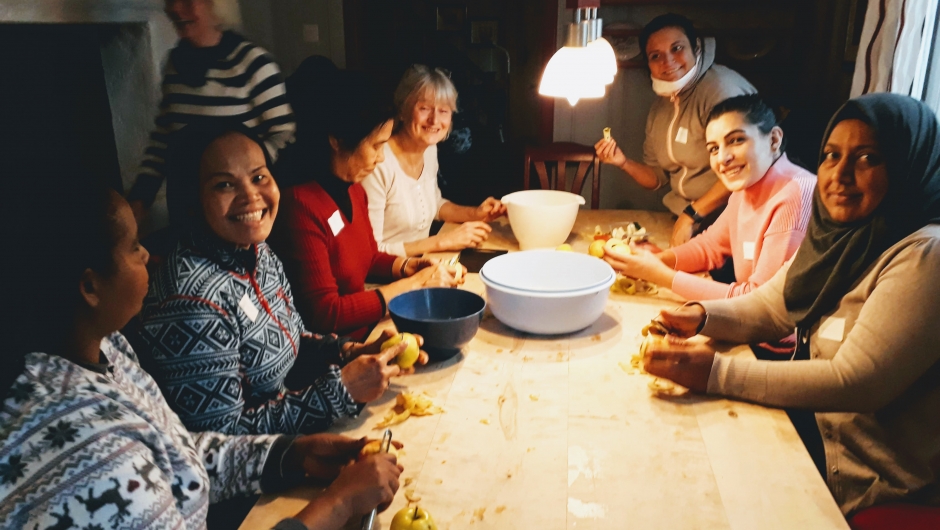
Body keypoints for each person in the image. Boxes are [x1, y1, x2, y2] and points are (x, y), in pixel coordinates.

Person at [0, 178, 403, 529]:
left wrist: (291, 455)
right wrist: (338, 505)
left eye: (259, 175)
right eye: (133, 245)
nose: (146, 255)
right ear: (90, 288)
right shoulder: (89, 461)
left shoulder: (103, 347)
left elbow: (174, 456)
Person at [644, 94, 940, 515]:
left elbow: (855, 381)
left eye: (868, 157)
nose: (839, 175)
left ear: (908, 162)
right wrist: (700, 316)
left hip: (870, 484)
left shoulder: (925, 254)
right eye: (831, 156)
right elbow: (770, 307)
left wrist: (716, 373)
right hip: (811, 433)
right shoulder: (842, 235)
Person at [133, 123, 427, 436]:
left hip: (290, 442)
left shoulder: (257, 252)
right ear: (192, 198)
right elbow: (220, 440)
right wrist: (340, 391)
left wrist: (350, 352)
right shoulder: (190, 301)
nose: (251, 196)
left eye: (259, 177)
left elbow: (295, 340)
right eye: (224, 185)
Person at [271, 69, 463, 341]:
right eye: (376, 146)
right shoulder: (300, 206)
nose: (381, 158)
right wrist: (414, 284)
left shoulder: (354, 190)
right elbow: (326, 313)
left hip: (371, 328)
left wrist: (409, 267)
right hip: (337, 349)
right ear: (336, 141)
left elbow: (369, 257)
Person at [603, 95, 815, 301]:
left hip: (781, 336)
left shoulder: (795, 193)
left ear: (774, 139)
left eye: (736, 140)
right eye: (714, 149)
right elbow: (709, 247)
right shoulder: (746, 187)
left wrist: (661, 275)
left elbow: (760, 302)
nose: (723, 158)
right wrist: (654, 262)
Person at [127, 0, 294, 226]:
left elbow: (284, 134)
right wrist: (141, 197)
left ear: (216, 4)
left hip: (239, 211)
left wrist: (249, 172)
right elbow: (164, 137)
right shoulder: (174, 65)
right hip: (187, 208)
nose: (175, 9)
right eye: (170, 0)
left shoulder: (252, 64)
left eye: (187, 1)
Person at [594, 13, 756, 246]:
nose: (667, 61)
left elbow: (743, 168)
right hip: (686, 219)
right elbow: (656, 177)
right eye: (655, 56)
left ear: (696, 48)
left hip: (727, 221)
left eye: (677, 48)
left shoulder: (720, 91)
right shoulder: (661, 107)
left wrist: (691, 215)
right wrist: (623, 162)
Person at [361, 65, 506, 257]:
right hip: (387, 276)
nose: (434, 120)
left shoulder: (428, 149)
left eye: (444, 111)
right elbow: (371, 252)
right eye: (424, 108)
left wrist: (476, 213)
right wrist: (443, 241)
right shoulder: (378, 164)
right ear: (403, 111)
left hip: (423, 264)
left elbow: (434, 204)